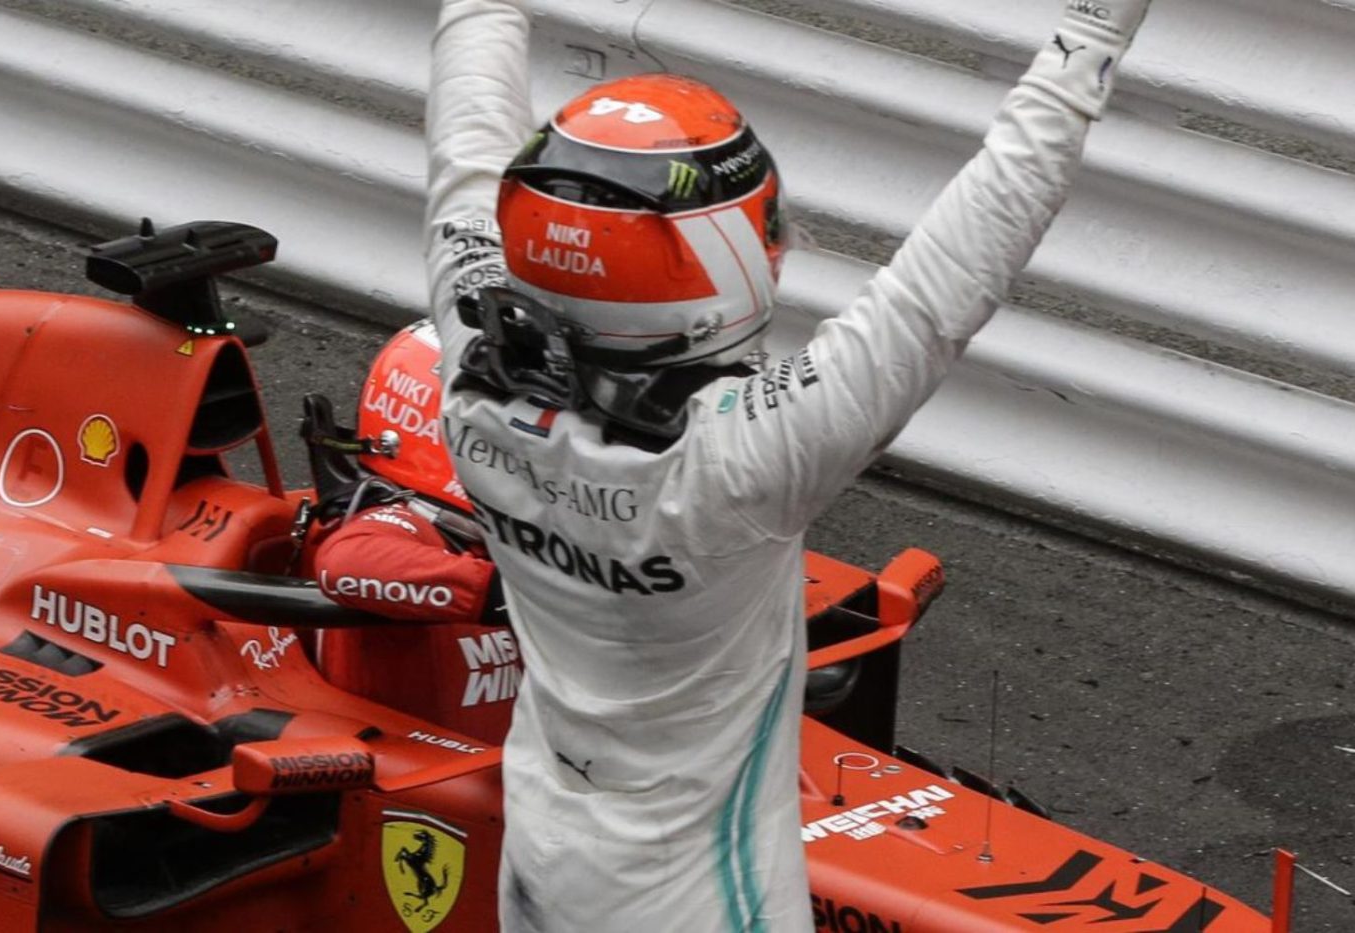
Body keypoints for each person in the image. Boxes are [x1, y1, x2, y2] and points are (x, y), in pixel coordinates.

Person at [425, 0, 1153, 929]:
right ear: (719, 263)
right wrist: (1089, 38)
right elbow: (960, 265)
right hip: (706, 905)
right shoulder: (743, 459)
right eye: (767, 221)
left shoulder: (469, 368)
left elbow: (468, 135)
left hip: (538, 858)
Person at [307, 320, 516, 745]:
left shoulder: (498, 538)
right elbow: (344, 562)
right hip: (411, 777)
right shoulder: (397, 525)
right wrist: (508, 596)